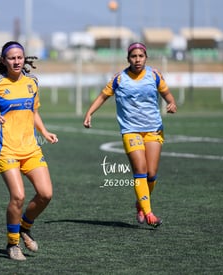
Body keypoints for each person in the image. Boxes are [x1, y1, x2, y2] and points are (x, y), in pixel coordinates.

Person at [0, 41, 58, 260]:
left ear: (24, 58)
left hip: (30, 148)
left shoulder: (32, 82)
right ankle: (12, 244)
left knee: (46, 194)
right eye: (11, 58)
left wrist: (45, 132)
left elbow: (34, 112)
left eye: (20, 57)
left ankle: (24, 227)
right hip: (6, 149)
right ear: (3, 60)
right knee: (18, 196)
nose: (16, 61)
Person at [83, 42, 177, 228]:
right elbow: (103, 96)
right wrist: (89, 113)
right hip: (130, 131)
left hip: (153, 129)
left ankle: (140, 203)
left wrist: (172, 104)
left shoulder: (154, 75)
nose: (137, 60)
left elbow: (167, 95)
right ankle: (149, 213)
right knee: (140, 170)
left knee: (151, 174)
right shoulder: (119, 79)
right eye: (133, 56)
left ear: (146, 57)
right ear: (128, 59)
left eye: (140, 56)